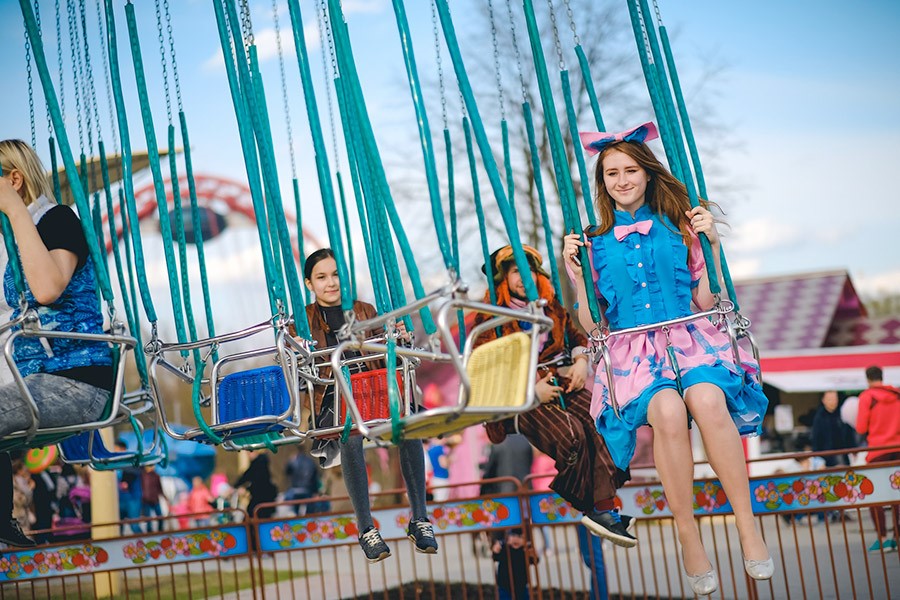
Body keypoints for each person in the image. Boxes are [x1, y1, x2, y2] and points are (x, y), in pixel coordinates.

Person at [563, 122, 772, 595]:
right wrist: (575, 276)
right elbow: (592, 324)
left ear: (647, 173)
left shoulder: (680, 227)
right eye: (611, 173)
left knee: (708, 400)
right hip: (635, 354)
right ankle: (687, 534)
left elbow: (706, 299)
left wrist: (712, 245)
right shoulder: (593, 242)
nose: (621, 180)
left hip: (688, 339)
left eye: (630, 169)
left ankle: (747, 525)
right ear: (603, 184)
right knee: (668, 412)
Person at [473, 245, 635, 547]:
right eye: (515, 273)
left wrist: (580, 362)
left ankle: (603, 508)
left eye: (530, 272)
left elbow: (575, 336)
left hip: (559, 380)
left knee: (603, 421)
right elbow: (487, 367)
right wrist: (531, 390)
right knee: (570, 435)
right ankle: (590, 505)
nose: (525, 278)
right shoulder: (490, 318)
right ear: (502, 280)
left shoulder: (550, 306)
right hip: (518, 399)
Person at [0, 139, 113, 548]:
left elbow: (47, 288)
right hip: (39, 382)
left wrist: (13, 209)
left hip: (77, 380)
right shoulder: (13, 241)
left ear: (14, 180)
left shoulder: (58, 219)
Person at [299, 248, 436, 562]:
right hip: (334, 397)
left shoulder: (363, 310)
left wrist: (396, 338)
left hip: (373, 389)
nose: (331, 283)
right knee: (350, 431)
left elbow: (383, 348)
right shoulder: (303, 321)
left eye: (335, 275)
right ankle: (366, 528)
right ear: (310, 283)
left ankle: (420, 518)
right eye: (322, 277)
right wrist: (302, 350)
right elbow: (299, 365)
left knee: (408, 424)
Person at [856, 366, 900, 552]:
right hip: (898, 450)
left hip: (877, 452)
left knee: (876, 496)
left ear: (868, 379)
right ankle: (897, 537)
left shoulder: (867, 397)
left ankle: (882, 539)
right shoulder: (897, 395)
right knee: (896, 495)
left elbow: (860, 428)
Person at [810, 391, 856, 467]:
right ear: (823, 400)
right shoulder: (819, 417)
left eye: (835, 399)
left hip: (843, 453)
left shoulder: (842, 414)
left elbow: (849, 434)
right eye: (830, 399)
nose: (833, 402)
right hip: (827, 456)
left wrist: (853, 448)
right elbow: (816, 438)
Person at [492, 528, 536, 600]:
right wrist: (495, 551)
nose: (516, 539)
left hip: (522, 585)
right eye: (513, 536)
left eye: (520, 537)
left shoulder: (525, 550)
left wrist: (533, 555)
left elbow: (534, 561)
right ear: (507, 538)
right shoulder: (505, 548)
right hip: (504, 584)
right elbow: (496, 557)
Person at [233, 450, 278, 520]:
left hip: (263, 498)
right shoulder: (258, 462)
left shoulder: (260, 462)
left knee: (252, 517)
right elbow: (246, 476)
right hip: (262, 499)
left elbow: (257, 481)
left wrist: (245, 488)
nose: (248, 455)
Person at [283, 446, 321, 515]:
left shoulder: (292, 461)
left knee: (296, 511)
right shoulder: (310, 461)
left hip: (295, 489)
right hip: (308, 489)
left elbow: (287, 472)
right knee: (309, 512)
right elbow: (314, 477)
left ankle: (297, 522)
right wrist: (316, 491)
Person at [140, 465, 166, 532]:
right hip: (146, 500)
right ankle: (149, 532)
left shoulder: (156, 476)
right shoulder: (142, 475)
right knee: (148, 518)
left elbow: (160, 488)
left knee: (160, 516)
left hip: (155, 499)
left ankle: (160, 531)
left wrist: (165, 497)